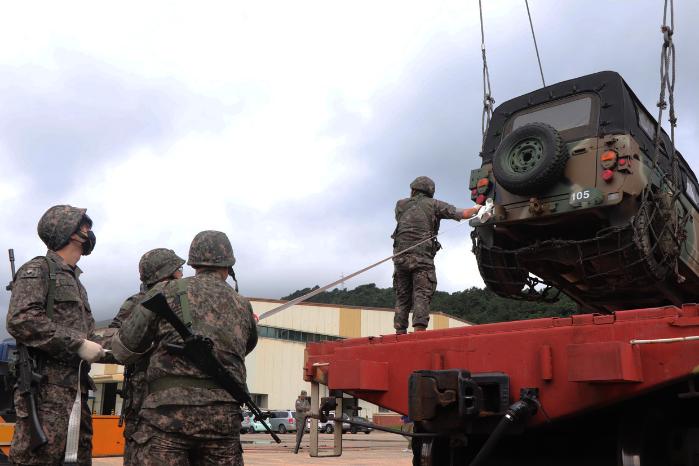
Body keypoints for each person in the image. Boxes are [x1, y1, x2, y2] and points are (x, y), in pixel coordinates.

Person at [111, 230, 258, 466]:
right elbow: (245, 347)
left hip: (167, 417)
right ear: (229, 267)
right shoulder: (243, 304)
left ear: (193, 263)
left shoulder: (165, 291)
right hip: (222, 420)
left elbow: (124, 348)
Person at [6, 205, 106, 465]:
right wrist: (77, 344)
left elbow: (89, 335)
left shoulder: (76, 281)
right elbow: (21, 319)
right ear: (71, 233)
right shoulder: (39, 270)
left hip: (77, 391)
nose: (89, 232)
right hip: (46, 392)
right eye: (85, 226)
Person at [109, 248, 185, 466]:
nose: (182, 274)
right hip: (143, 389)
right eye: (178, 270)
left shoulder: (185, 298)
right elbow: (112, 338)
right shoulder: (138, 303)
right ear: (166, 274)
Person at [392, 177, 482, 334]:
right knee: (421, 294)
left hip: (400, 258)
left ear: (413, 189)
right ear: (430, 192)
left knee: (402, 295)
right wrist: (478, 207)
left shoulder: (400, 205)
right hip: (422, 259)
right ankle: (419, 331)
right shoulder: (435, 205)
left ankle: (400, 331)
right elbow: (465, 213)